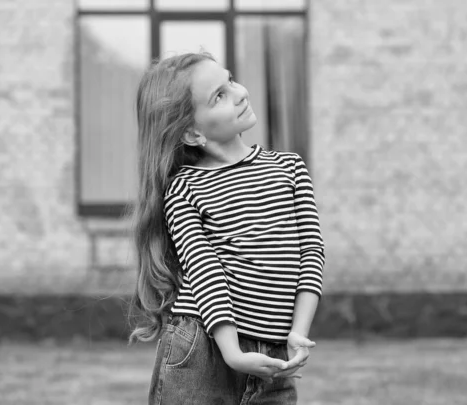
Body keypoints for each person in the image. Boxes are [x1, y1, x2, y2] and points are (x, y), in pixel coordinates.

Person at [128, 52, 325, 405]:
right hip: (204, 351)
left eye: (231, 80)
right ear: (192, 132)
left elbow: (311, 253)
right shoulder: (185, 188)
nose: (239, 93)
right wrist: (233, 353)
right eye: (219, 95)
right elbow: (205, 271)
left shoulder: (290, 168)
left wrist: (298, 333)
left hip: (274, 356)